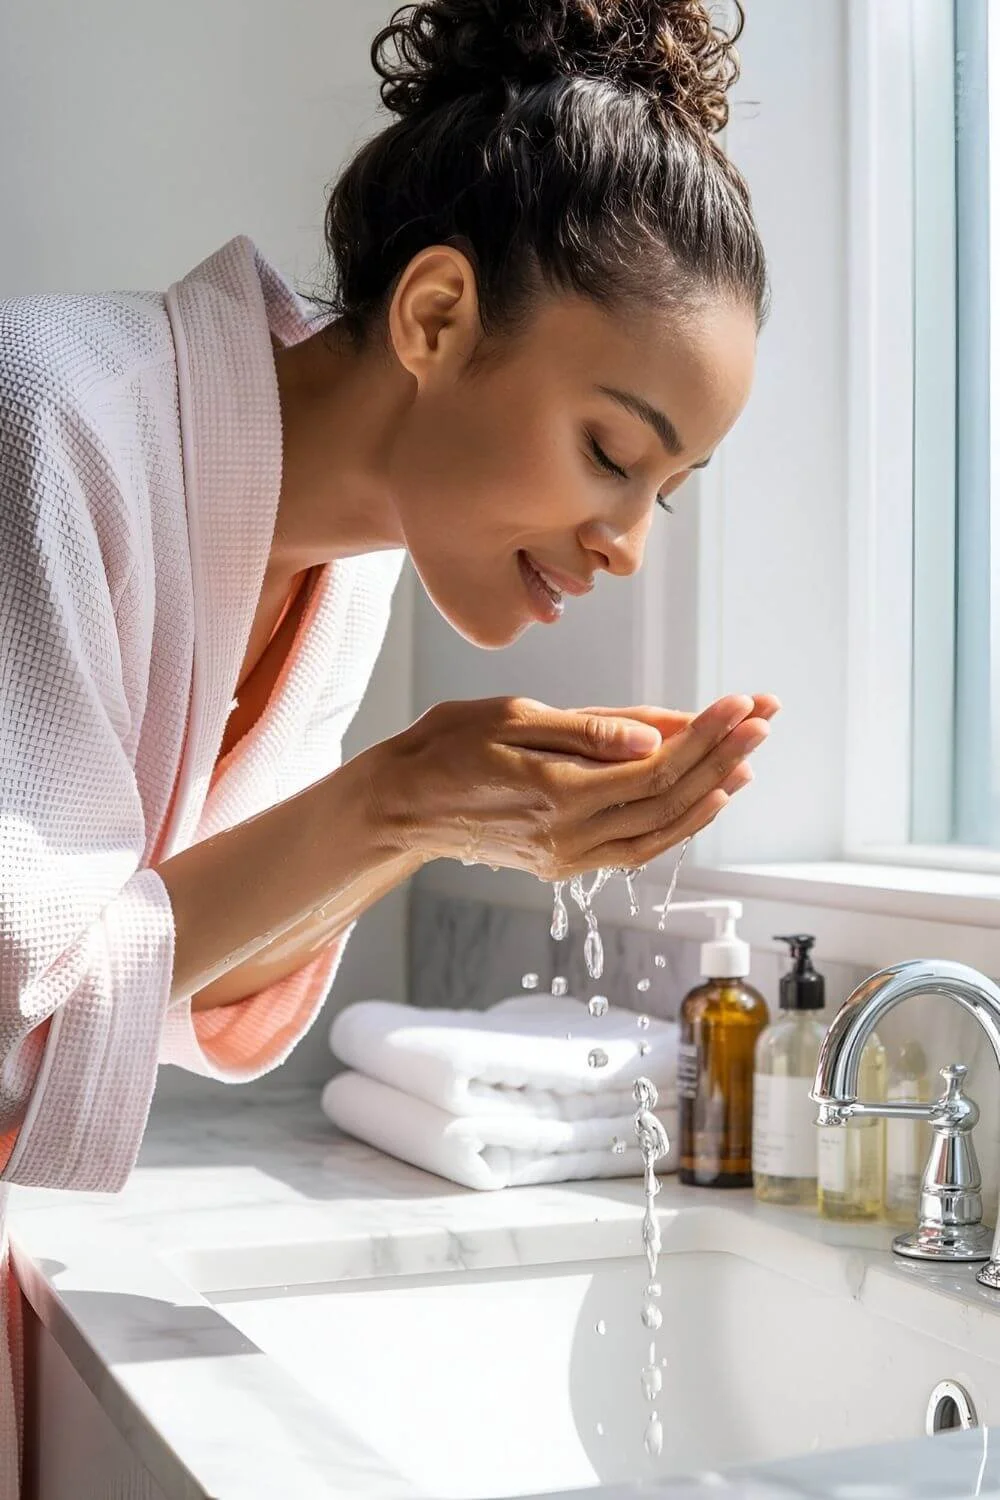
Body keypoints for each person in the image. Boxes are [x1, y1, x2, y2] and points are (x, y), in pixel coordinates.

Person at [0, 0, 778, 1488]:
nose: (625, 541)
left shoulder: (350, 570)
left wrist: (434, 815)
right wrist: (404, 795)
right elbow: (23, 1032)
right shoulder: (48, 422)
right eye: (612, 453)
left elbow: (171, 985)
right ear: (433, 316)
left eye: (663, 490)